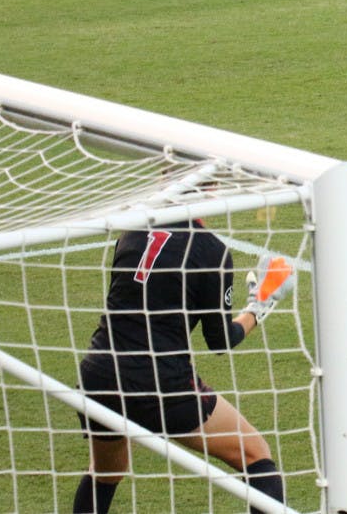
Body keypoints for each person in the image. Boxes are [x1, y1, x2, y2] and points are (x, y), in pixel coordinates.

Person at [72, 219, 295, 514]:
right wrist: (258, 305)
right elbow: (219, 340)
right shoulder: (212, 251)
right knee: (255, 455)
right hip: (162, 384)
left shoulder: (133, 230)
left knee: (106, 472)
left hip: (100, 372)